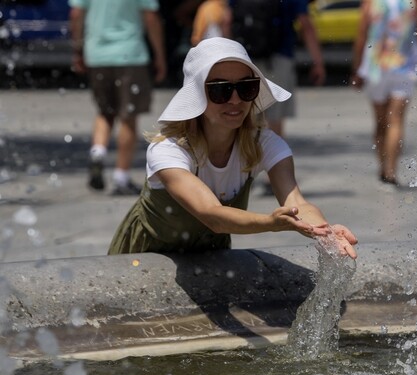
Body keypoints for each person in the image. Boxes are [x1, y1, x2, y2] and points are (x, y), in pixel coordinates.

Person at [108, 37, 357, 259]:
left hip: (211, 256)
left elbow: (298, 203)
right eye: (220, 90)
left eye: (246, 87)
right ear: (196, 96)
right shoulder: (168, 149)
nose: (235, 99)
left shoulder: (264, 143)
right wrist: (270, 222)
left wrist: (324, 231)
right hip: (144, 255)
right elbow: (212, 215)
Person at [69, 0, 167, 195]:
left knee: (105, 112)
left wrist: (78, 49)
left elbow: (76, 15)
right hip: (129, 54)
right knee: (128, 117)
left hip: (96, 54)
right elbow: (150, 17)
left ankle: (97, 153)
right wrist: (160, 56)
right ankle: (121, 177)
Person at [350, 0, 417, 186]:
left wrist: (356, 69)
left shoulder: (370, 3)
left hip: (375, 67)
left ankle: (383, 167)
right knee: (396, 120)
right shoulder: (413, 2)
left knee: (380, 121)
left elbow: (362, 36)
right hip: (403, 65)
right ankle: (391, 171)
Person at [229, 0, 326, 138]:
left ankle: (249, 157)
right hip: (280, 58)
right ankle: (274, 158)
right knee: (275, 120)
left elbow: (227, 19)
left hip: (246, 60)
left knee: (249, 117)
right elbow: (305, 24)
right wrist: (318, 63)